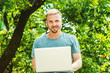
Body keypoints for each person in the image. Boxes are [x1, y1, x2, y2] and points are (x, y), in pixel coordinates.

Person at [31, 9, 82, 73]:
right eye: (51, 22)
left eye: (56, 21)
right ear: (47, 23)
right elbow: (34, 66)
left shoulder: (71, 39)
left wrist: (68, 68)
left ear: (61, 21)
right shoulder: (38, 41)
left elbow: (78, 61)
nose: (54, 24)